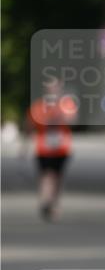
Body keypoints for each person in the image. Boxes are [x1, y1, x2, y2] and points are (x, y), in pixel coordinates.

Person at [24, 78, 77, 220]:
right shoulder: (38, 106)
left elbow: (71, 121)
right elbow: (29, 127)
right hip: (43, 148)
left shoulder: (67, 105)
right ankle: (45, 202)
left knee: (58, 176)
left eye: (55, 87)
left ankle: (54, 203)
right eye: (49, 87)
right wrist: (24, 147)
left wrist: (58, 111)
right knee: (46, 175)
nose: (52, 90)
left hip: (62, 148)